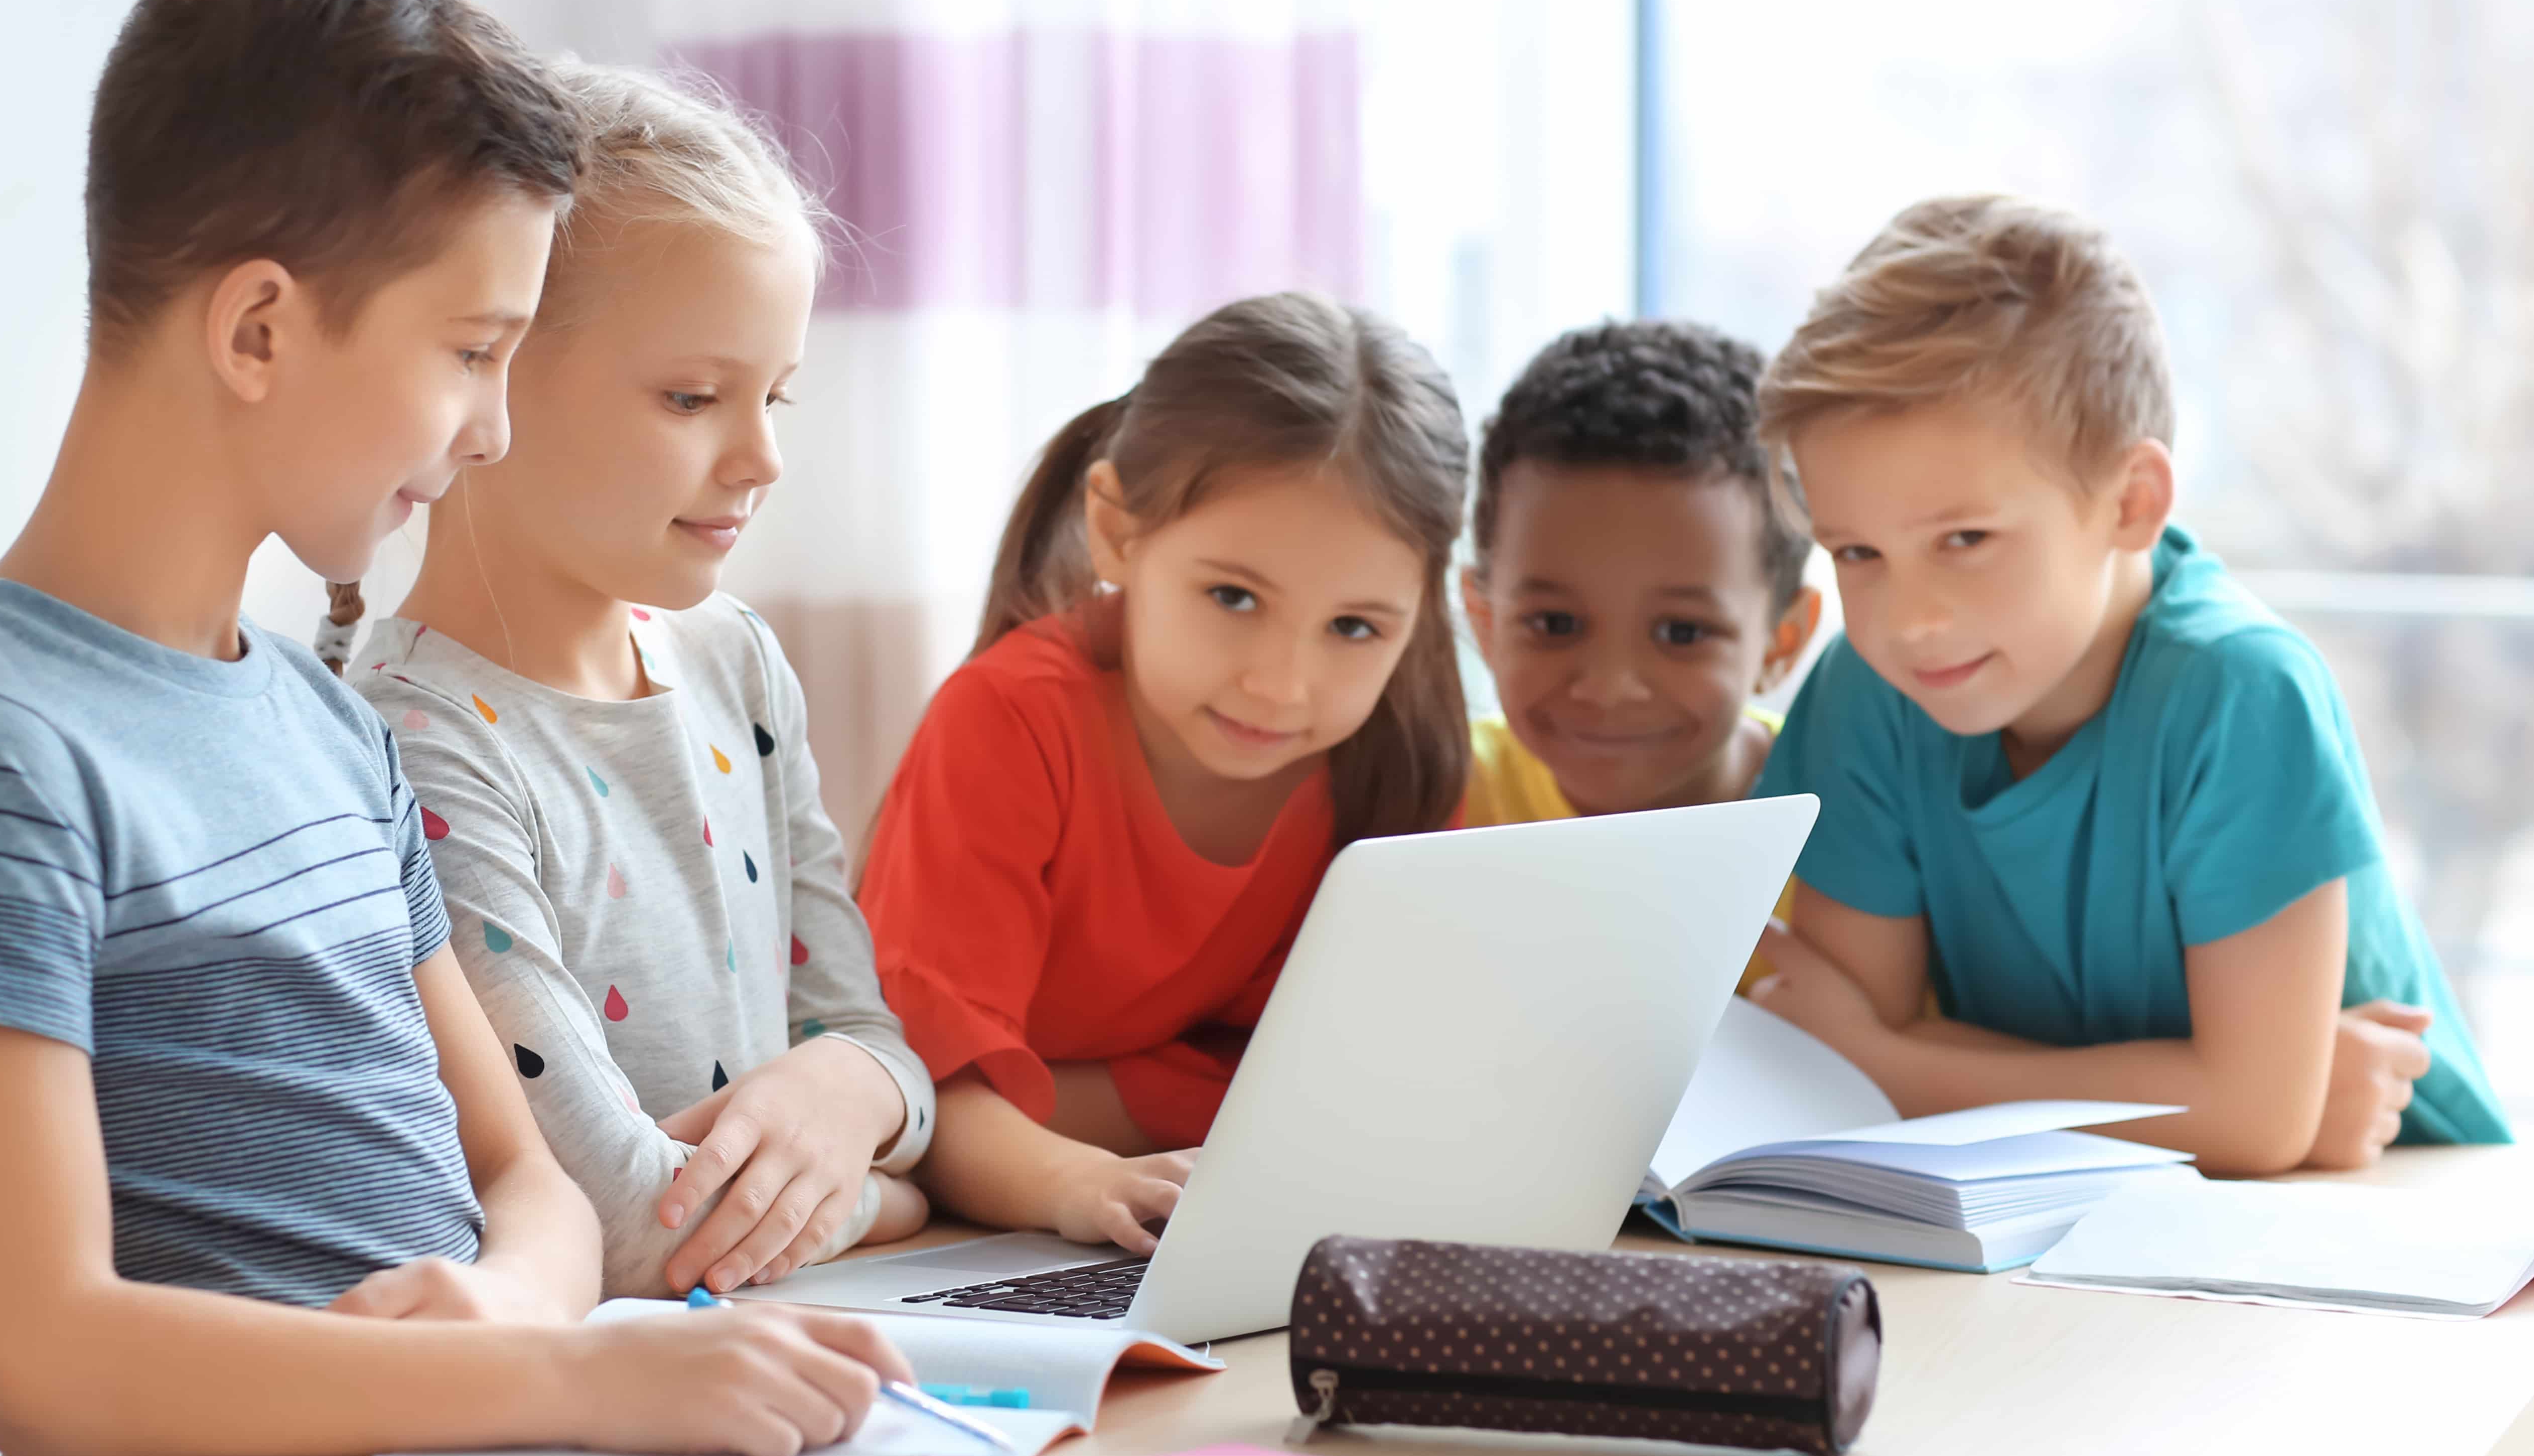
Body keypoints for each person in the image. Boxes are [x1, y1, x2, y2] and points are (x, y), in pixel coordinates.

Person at [0, 0, 906, 1456]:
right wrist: (554, 1379)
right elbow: (47, 1361)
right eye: (475, 353)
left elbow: (523, 1177)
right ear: (259, 327)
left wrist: (507, 1314)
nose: (491, 431)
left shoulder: (325, 725)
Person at [1748, 194, 2509, 1172]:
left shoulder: (2242, 692)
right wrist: (2199, 1098)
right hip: (2075, 1217)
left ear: (2131, 501)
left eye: (1965, 539)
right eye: (1857, 551)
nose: (1905, 618)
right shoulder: (1870, 691)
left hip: (2392, 1206)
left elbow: (2254, 1124)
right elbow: (1828, 1062)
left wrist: (1900, 1065)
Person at [347, 62, 933, 1304]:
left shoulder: (739, 663)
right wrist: (892, 1191)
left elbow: (878, 1050)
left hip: (801, 1336)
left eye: (774, 395)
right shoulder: (417, 737)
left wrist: (850, 1090)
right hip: (609, 1415)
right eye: (692, 396)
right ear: (491, 372)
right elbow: (634, 1227)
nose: (763, 455)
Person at [861, 294, 1471, 1251]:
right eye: (1233, 597)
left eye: (1356, 627)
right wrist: (1084, 1171)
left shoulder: (1402, 756)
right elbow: (917, 1106)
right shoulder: (1012, 720)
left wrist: (1111, 1098)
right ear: (1117, 531)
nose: (1281, 685)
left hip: (1242, 1215)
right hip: (1001, 1222)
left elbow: (1377, 1087)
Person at [1460, 321, 1820, 992]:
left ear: (1782, 641)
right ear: (1483, 619)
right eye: (1554, 623)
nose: (1607, 687)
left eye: (1681, 633)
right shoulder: (1433, 799)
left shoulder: (1858, 839)